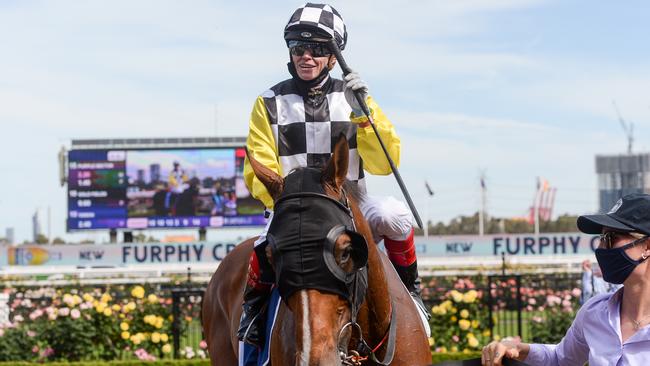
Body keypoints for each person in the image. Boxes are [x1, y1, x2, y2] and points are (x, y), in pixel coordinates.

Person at [238, 2, 428, 351]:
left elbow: (385, 162)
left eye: (316, 49)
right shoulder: (268, 102)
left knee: (394, 216)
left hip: (350, 206)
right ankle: (253, 311)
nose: (305, 57)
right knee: (265, 243)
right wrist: (286, 202)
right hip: (295, 208)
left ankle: (411, 290)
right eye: (298, 48)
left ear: (331, 55)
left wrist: (364, 114)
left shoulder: (352, 98)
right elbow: (257, 168)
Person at [482, 193, 650, 365]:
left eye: (610, 238)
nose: (601, 248)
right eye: (601, 238)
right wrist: (516, 348)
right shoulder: (594, 312)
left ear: (647, 246)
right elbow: (560, 359)